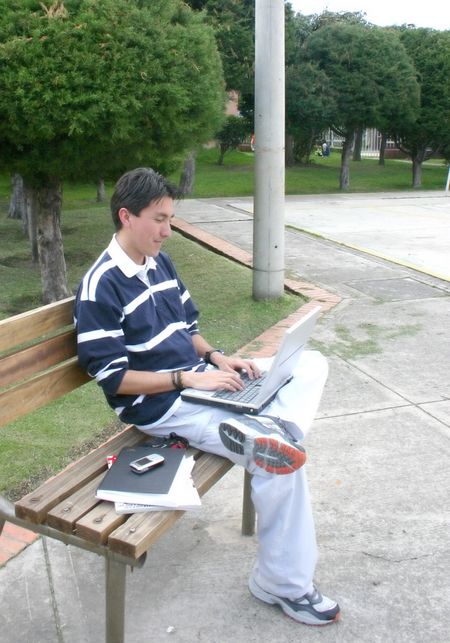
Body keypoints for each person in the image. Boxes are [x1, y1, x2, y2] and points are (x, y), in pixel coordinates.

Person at [74, 167, 340, 626]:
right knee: (278, 461)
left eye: (170, 218)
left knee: (311, 363)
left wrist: (218, 358)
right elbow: (114, 379)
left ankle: (270, 427)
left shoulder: (160, 261)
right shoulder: (100, 286)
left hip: (200, 384)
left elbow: (187, 329)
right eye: (159, 219)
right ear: (126, 216)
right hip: (162, 406)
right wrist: (186, 380)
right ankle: (282, 583)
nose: (167, 230)